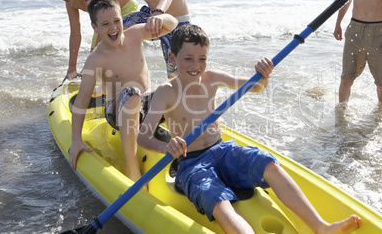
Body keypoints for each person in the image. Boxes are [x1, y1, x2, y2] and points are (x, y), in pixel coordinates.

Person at [137, 24, 362, 234]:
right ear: (172, 58)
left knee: (268, 162)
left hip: (223, 150)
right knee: (217, 200)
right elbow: (143, 136)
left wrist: (263, 73)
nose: (196, 65)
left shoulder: (212, 78)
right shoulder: (166, 92)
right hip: (192, 163)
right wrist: (166, 146)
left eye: (202, 58)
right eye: (188, 59)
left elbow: (256, 87)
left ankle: (321, 227)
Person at [68, 0, 177, 185]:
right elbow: (82, 99)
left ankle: (189, 145)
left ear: (122, 18)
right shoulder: (96, 58)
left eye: (116, 21)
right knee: (132, 91)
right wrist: (76, 139)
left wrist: (160, 18)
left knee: (173, 86)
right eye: (105, 24)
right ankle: (132, 164)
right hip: (117, 112)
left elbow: (172, 24)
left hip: (146, 108)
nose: (113, 28)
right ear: (95, 28)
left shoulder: (135, 34)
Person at [90, 0, 191, 78]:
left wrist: (158, 12)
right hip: (151, 16)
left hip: (177, 23)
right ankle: (111, 72)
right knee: (117, 28)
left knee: (176, 73)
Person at [48, 0, 139, 79]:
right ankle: (102, 80)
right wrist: (72, 66)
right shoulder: (69, 2)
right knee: (96, 53)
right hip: (106, 18)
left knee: (108, 46)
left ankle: (125, 78)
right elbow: (75, 34)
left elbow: (102, 28)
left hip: (126, 8)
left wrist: (90, 64)